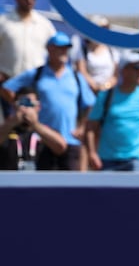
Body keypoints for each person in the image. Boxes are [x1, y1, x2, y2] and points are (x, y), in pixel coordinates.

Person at [0, 31, 95, 170]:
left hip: (69, 140)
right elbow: (7, 88)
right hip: (42, 140)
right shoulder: (37, 74)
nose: (63, 51)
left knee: (70, 188)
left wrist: (81, 126)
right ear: (50, 49)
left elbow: (90, 103)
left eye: (66, 48)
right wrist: (20, 108)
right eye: (59, 47)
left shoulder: (75, 77)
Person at [86, 52, 139, 172]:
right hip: (107, 162)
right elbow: (90, 128)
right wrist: (92, 153)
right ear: (124, 70)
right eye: (137, 67)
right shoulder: (105, 96)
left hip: (135, 162)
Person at [0, 0, 57, 118]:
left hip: (34, 87)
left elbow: (56, 52)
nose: (29, 1)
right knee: (9, 127)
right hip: (8, 86)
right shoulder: (4, 23)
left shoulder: (44, 25)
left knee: (33, 127)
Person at [71, 14, 120, 170]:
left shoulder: (113, 51)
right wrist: (93, 86)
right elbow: (82, 71)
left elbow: (115, 76)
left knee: (101, 134)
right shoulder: (82, 49)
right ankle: (83, 172)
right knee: (85, 135)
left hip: (106, 99)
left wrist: (105, 87)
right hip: (88, 97)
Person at [0, 87, 67, 170]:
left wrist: (35, 124)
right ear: (14, 106)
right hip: (11, 180)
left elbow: (61, 147)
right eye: (22, 104)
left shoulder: (45, 130)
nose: (26, 108)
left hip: (41, 180)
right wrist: (13, 122)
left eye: (30, 104)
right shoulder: (7, 130)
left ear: (38, 107)